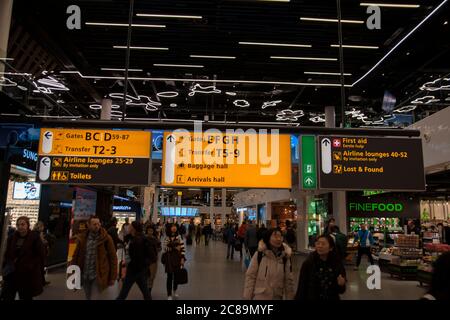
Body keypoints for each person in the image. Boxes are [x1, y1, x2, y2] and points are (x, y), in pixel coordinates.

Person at [71, 215, 118, 300]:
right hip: (85, 275)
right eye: (94, 224)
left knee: (94, 298)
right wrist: (73, 273)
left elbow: (113, 258)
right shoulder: (82, 238)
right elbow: (75, 257)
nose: (97, 226)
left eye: (98, 224)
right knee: (88, 296)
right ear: (88, 225)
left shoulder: (106, 238)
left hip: (98, 275)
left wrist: (113, 277)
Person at [1, 216, 45, 300]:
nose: (20, 227)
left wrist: (32, 267)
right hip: (11, 273)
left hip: (27, 275)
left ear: (27, 225)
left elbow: (40, 256)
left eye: (22, 224)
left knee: (25, 296)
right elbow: (7, 255)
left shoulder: (34, 238)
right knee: (7, 295)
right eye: (18, 225)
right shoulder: (12, 237)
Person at [244, 228, 295, 300]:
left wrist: (290, 297)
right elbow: (251, 276)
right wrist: (247, 297)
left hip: (277, 297)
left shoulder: (284, 257)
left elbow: (288, 280)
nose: (278, 239)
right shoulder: (260, 255)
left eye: (280, 236)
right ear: (268, 238)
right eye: (275, 236)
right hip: (260, 297)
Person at [295, 235, 346, 300]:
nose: (320, 246)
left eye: (323, 244)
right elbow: (301, 287)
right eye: (318, 243)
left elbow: (341, 290)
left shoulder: (336, 263)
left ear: (331, 248)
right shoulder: (309, 263)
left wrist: (341, 284)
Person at [116, 221, 153, 300]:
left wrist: (132, 266)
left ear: (134, 228)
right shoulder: (133, 237)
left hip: (134, 270)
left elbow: (137, 256)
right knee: (145, 292)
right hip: (139, 270)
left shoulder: (137, 240)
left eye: (130, 226)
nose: (128, 227)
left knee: (123, 293)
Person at [163, 224, 186, 300]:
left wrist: (182, 258)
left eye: (175, 226)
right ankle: (169, 294)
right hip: (169, 259)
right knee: (169, 277)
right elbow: (165, 248)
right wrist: (175, 247)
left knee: (176, 276)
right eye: (172, 227)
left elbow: (182, 248)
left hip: (177, 259)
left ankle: (174, 290)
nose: (174, 228)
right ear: (169, 228)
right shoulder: (166, 238)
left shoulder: (179, 237)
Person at [32, 221, 50, 286]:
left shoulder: (33, 233)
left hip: (37, 254)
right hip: (39, 254)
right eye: (42, 226)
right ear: (40, 227)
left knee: (39, 269)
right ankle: (41, 282)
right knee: (40, 268)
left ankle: (41, 282)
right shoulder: (39, 234)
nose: (43, 227)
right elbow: (42, 243)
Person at [145, 224, 161, 295]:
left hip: (153, 261)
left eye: (151, 231)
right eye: (149, 231)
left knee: (151, 277)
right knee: (145, 276)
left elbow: (160, 248)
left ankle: (149, 291)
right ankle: (146, 291)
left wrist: (156, 250)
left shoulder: (155, 239)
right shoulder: (144, 238)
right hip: (145, 260)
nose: (150, 232)